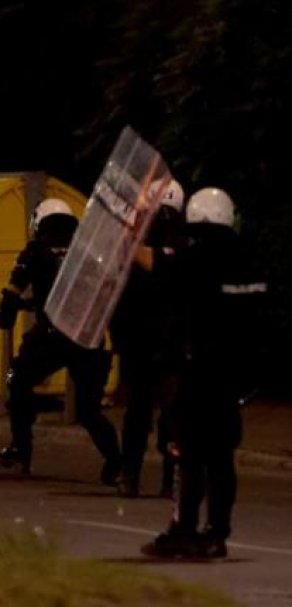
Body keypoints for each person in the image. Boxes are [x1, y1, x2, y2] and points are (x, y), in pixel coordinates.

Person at [139, 187, 266, 559]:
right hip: (234, 375)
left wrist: (126, 244)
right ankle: (217, 533)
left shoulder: (196, 258)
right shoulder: (249, 262)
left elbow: (159, 264)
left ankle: (183, 529)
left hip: (198, 372)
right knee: (221, 458)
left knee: (187, 453)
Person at [0, 198, 122, 483]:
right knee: (90, 411)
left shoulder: (35, 250)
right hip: (89, 336)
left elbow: (12, 292)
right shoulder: (88, 250)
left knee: (17, 379)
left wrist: (7, 315)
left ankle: (20, 448)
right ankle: (117, 462)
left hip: (52, 335)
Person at [110, 179, 186, 498]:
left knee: (145, 413)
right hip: (162, 340)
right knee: (165, 412)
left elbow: (151, 262)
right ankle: (163, 477)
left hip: (152, 339)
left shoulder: (165, 240)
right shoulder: (183, 234)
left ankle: (137, 476)